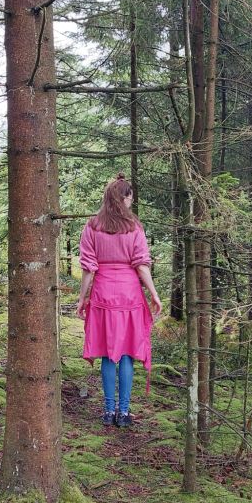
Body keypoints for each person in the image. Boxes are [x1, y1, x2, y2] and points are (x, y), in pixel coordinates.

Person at [76, 173, 161, 427]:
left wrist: (82, 299)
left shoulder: (92, 226)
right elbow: (142, 265)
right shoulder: (134, 227)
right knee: (125, 354)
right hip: (129, 296)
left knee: (106, 354)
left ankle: (107, 411)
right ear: (123, 198)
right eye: (130, 196)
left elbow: (89, 268)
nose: (132, 201)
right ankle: (124, 413)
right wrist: (154, 294)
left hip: (103, 295)